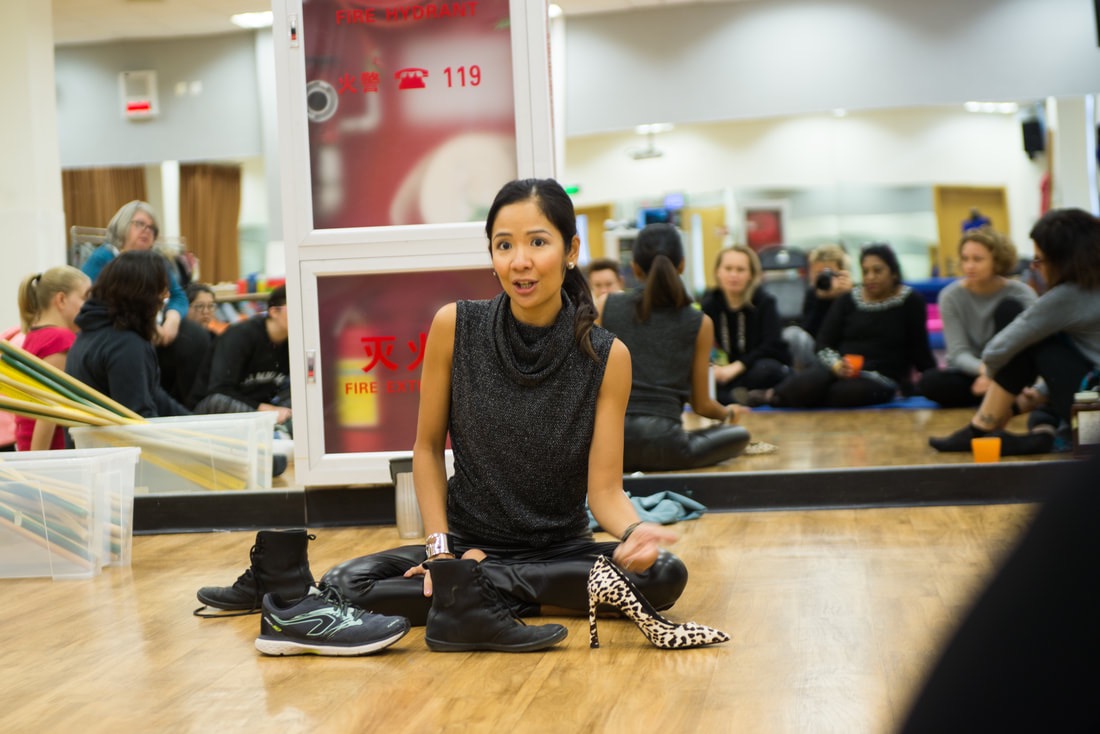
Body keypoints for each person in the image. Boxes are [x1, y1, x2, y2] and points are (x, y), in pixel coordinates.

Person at [317, 178, 724, 651]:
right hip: (466, 543)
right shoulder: (454, 326)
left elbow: (605, 491)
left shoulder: (607, 357)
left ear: (571, 250)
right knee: (344, 583)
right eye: (504, 245)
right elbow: (426, 449)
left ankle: (476, 592)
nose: (519, 261)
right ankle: (481, 589)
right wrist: (440, 553)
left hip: (560, 552)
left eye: (538, 242)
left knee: (664, 574)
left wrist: (634, 532)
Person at [930, 208, 1100, 455]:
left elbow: (1000, 348)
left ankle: (980, 429)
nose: (1035, 267)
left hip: (1092, 419)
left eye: (1039, 260)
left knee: (1034, 341)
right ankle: (1037, 434)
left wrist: (990, 374)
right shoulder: (952, 295)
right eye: (965, 259)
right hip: (1082, 400)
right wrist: (1030, 397)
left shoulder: (1067, 295)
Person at [597, 223, 751, 472]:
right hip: (668, 447)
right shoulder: (700, 322)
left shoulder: (605, 305)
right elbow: (701, 404)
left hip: (607, 447)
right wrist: (728, 415)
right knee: (740, 435)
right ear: (681, 265)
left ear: (635, 268)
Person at [742, 243, 936, 409]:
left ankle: (788, 397)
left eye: (877, 271)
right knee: (811, 381)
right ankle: (772, 395)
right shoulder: (848, 299)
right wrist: (836, 365)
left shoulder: (910, 301)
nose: (870, 277)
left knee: (845, 393)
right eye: (866, 271)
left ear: (893, 273)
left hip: (883, 375)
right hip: (841, 368)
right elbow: (823, 342)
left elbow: (920, 348)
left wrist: (927, 380)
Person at [918, 227, 1037, 408]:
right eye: (965, 259)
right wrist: (987, 372)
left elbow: (1033, 343)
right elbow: (958, 353)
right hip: (975, 371)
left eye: (977, 259)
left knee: (1009, 307)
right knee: (930, 382)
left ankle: (998, 393)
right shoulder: (950, 297)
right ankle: (1003, 395)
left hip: (1013, 370)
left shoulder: (1021, 293)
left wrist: (998, 374)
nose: (969, 266)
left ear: (997, 261)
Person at [66, 250, 189, 419]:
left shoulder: (90, 334)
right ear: (143, 293)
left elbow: (154, 395)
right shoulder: (125, 345)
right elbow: (137, 418)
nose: (166, 296)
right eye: (161, 289)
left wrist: (195, 422)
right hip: (116, 436)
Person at [81, 200, 187, 346]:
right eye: (139, 224)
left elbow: (178, 295)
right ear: (122, 225)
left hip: (157, 326)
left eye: (151, 228)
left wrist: (173, 318)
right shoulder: (103, 258)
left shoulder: (157, 262)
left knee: (194, 336)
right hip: (116, 327)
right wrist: (147, 325)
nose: (146, 230)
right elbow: (87, 299)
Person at [191, 285, 292, 432]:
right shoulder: (240, 335)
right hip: (213, 410)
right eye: (295, 307)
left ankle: (278, 431)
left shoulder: (293, 342)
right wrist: (264, 410)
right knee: (219, 401)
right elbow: (219, 390)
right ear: (274, 311)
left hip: (258, 409)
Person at [699, 245, 790, 405]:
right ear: (718, 272)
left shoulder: (765, 302)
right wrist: (714, 368)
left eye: (740, 270)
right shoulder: (709, 305)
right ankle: (744, 397)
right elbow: (702, 347)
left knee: (767, 370)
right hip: (724, 371)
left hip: (754, 367)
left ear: (751, 275)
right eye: (728, 268)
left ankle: (737, 397)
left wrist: (737, 367)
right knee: (699, 377)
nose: (733, 275)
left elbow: (772, 345)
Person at [13, 266, 91, 450]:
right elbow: (48, 411)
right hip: (48, 451)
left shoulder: (35, 335)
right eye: (85, 298)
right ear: (61, 300)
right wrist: (37, 461)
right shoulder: (60, 339)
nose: (89, 306)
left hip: (33, 447)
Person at [782, 244, 853, 371]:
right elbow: (808, 331)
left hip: (844, 355)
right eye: (818, 273)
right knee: (792, 334)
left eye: (828, 273)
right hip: (817, 353)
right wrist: (822, 300)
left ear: (842, 273)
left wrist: (845, 297)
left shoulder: (852, 295)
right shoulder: (812, 294)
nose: (823, 277)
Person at [156, 282, 217, 410]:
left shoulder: (216, 339)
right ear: (184, 308)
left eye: (211, 306)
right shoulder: (171, 340)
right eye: (200, 306)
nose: (206, 312)